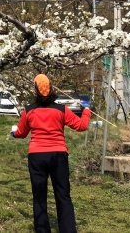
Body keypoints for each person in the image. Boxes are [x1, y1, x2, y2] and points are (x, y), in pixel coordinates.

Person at [11, 74, 91, 233]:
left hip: (37, 156)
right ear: (52, 89)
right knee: (63, 196)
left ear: (35, 90)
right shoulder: (62, 110)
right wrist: (87, 111)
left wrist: (14, 133)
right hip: (58, 155)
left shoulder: (28, 111)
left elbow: (21, 133)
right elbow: (81, 126)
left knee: (39, 197)